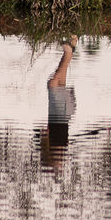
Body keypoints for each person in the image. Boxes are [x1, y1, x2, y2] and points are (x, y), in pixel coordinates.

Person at [40, 35, 78, 171]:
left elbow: (47, 131)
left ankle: (71, 45)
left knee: (59, 81)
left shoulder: (49, 146)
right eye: (60, 161)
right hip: (62, 113)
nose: (60, 158)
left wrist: (45, 134)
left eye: (58, 161)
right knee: (53, 83)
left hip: (58, 112)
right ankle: (69, 50)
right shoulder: (62, 146)